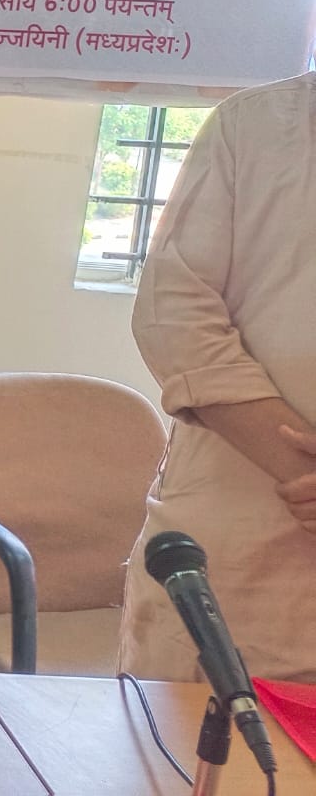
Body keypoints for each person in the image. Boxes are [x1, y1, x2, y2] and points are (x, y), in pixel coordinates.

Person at [118, 74, 316, 682]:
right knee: (198, 738)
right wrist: (302, 469)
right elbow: (173, 314)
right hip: (244, 559)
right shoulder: (255, 126)